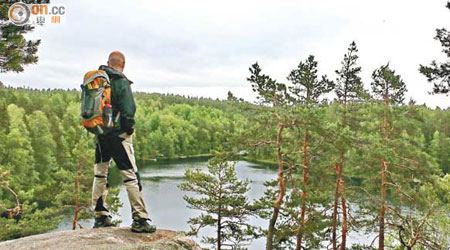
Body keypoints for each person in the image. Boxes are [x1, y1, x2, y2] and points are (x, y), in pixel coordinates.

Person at [91, 51, 156, 233]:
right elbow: (128, 112)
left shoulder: (98, 82)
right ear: (123, 65)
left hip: (101, 135)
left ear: (108, 63)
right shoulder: (120, 82)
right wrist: (128, 130)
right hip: (119, 137)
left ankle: (100, 217)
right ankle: (140, 219)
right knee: (131, 177)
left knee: (100, 175)